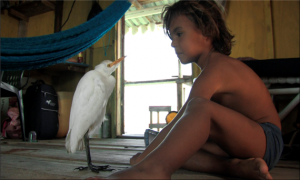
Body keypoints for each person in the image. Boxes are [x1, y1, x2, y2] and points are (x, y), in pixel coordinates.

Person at [87, 0, 283, 179]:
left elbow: (183, 118)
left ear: (206, 31)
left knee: (196, 111)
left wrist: (144, 160)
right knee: (174, 146)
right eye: (172, 37)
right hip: (237, 145)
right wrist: (151, 150)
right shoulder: (208, 71)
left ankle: (153, 171)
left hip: (266, 141)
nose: (173, 43)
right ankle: (234, 168)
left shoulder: (218, 67)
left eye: (179, 34)